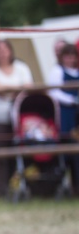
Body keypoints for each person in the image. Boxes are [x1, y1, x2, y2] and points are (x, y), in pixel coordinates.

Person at [0, 39, 33, 197]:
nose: (3, 53)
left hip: (18, 117)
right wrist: (15, 89)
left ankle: (17, 186)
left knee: (17, 154)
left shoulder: (21, 67)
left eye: (5, 49)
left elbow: (29, 87)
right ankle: (1, 190)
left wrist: (5, 89)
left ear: (11, 50)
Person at [47, 43, 79, 196]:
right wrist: (72, 99)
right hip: (65, 116)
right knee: (66, 150)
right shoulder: (57, 71)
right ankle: (63, 186)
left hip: (76, 115)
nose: (70, 59)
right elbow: (54, 92)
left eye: (73, 56)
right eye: (67, 56)